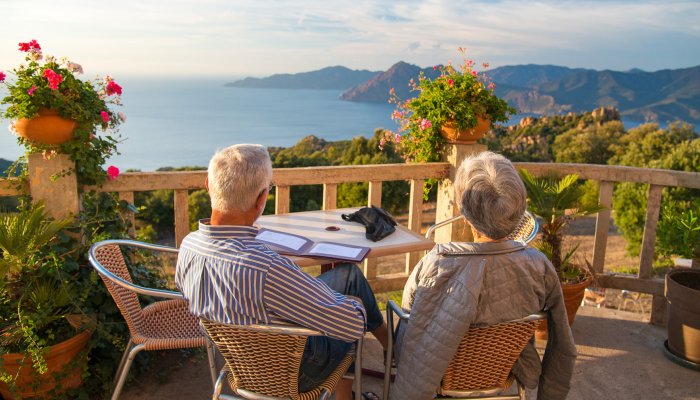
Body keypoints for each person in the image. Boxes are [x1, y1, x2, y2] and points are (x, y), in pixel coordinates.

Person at [174, 144, 386, 400]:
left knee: (346, 276)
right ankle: (389, 354)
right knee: (349, 306)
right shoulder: (268, 268)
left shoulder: (188, 247)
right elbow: (351, 327)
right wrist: (351, 306)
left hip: (239, 363)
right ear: (262, 198)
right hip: (294, 373)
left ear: (208, 184)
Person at [390, 151, 577, 400]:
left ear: (465, 213)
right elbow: (564, 344)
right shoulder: (539, 267)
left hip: (439, 373)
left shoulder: (436, 264)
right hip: (504, 367)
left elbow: (410, 320)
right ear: (518, 209)